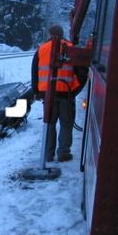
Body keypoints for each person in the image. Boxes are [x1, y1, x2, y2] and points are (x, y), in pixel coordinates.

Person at [31, 25, 85, 162]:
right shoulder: (70, 48)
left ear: (50, 34)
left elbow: (34, 73)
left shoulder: (41, 49)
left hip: (47, 94)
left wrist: (36, 92)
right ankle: (63, 153)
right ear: (61, 34)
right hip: (66, 93)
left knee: (49, 123)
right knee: (66, 124)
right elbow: (82, 73)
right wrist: (74, 90)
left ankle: (48, 154)